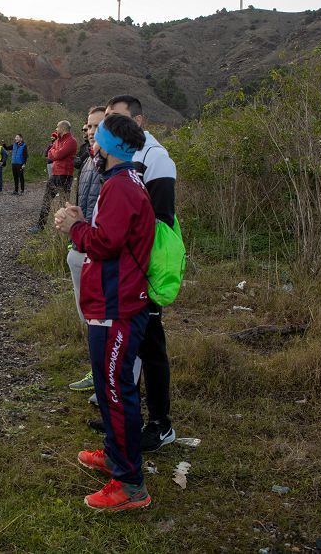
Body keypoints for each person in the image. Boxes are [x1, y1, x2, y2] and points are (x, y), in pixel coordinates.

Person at [54, 113, 154, 511]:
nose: (90, 141)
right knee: (110, 387)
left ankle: (131, 485)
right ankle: (115, 456)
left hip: (118, 307)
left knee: (116, 392)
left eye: (97, 135)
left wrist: (74, 228)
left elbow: (105, 244)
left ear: (111, 144)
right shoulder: (122, 182)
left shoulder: (122, 188)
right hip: (109, 303)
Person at [107, 94, 179, 452]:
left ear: (138, 121)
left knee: (151, 346)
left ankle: (161, 424)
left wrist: (142, 272)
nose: (109, 127)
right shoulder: (123, 157)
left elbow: (162, 223)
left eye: (115, 119)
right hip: (123, 270)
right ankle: (126, 418)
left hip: (144, 271)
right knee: (126, 348)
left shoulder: (157, 159)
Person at [67, 106, 107, 393]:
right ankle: (97, 373)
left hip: (99, 248)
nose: (91, 131)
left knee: (103, 319)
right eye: (88, 126)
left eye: (97, 126)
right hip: (81, 244)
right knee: (88, 317)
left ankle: (108, 381)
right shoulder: (89, 160)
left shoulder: (113, 163)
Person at [32, 121, 77, 232]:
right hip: (55, 174)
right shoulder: (57, 141)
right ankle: (40, 226)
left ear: (63, 127)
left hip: (65, 176)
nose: (56, 129)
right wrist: (54, 152)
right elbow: (50, 154)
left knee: (63, 202)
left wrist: (54, 152)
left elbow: (57, 155)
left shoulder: (71, 141)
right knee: (46, 200)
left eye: (57, 127)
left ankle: (63, 229)